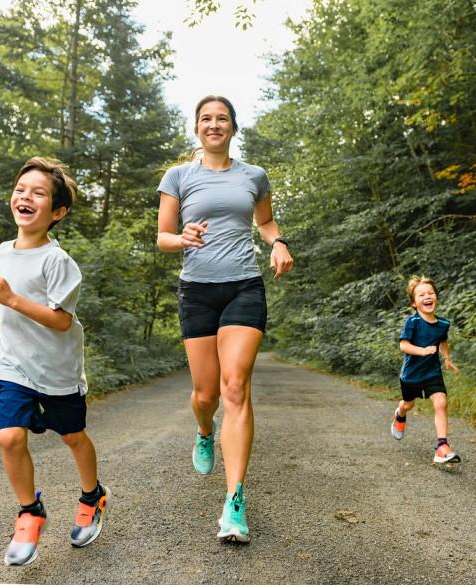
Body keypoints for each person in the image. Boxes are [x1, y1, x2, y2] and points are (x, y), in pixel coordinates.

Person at [156, 95, 293, 543]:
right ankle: (203, 430)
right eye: (206, 119)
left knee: (236, 386)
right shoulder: (178, 176)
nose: (214, 125)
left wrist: (277, 242)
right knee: (205, 394)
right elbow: (162, 237)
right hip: (197, 291)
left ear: (234, 128)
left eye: (222, 119)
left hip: (243, 287)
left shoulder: (253, 176)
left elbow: (266, 221)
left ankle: (234, 501)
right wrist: (183, 238)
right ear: (196, 128)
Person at [0, 156, 109, 566]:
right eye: (22, 190)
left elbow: (60, 320)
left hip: (56, 368)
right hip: (12, 362)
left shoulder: (59, 262)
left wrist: (12, 300)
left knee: (72, 436)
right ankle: (29, 511)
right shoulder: (3, 251)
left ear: (57, 212)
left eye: (39, 193)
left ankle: (93, 495)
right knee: (9, 437)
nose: (26, 197)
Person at [390, 275, 461, 464]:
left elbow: (442, 341)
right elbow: (403, 346)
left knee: (441, 403)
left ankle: (442, 447)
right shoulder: (412, 322)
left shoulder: (443, 324)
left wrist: (446, 358)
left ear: (436, 297)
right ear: (414, 303)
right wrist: (422, 351)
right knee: (408, 404)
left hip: (432, 372)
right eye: (421, 294)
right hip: (411, 374)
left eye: (431, 293)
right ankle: (400, 414)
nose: (427, 296)